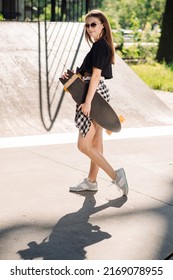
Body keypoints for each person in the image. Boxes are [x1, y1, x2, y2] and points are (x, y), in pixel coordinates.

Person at [62, 10, 128, 195]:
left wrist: (88, 102)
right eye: (87, 25)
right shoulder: (102, 46)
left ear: (103, 25)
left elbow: (96, 75)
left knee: (83, 145)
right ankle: (91, 181)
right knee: (97, 140)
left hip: (94, 94)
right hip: (97, 92)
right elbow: (91, 74)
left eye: (93, 24)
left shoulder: (100, 46)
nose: (89, 28)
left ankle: (116, 176)